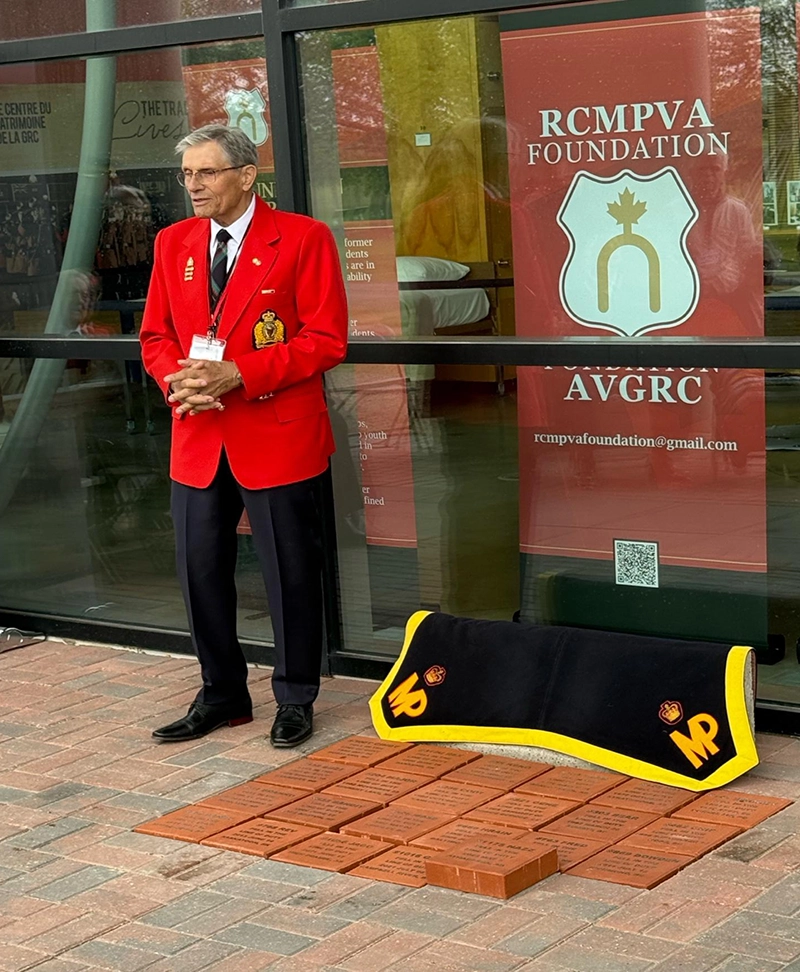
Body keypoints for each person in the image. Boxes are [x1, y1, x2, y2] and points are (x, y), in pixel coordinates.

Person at [139, 124, 348, 748]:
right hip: (199, 436)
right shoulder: (171, 242)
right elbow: (156, 337)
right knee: (199, 571)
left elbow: (325, 340)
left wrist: (239, 373)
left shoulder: (303, 238)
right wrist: (179, 383)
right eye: (187, 175)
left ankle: (295, 696)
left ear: (245, 175)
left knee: (289, 573)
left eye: (206, 173)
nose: (193, 186)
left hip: (276, 435)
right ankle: (223, 694)